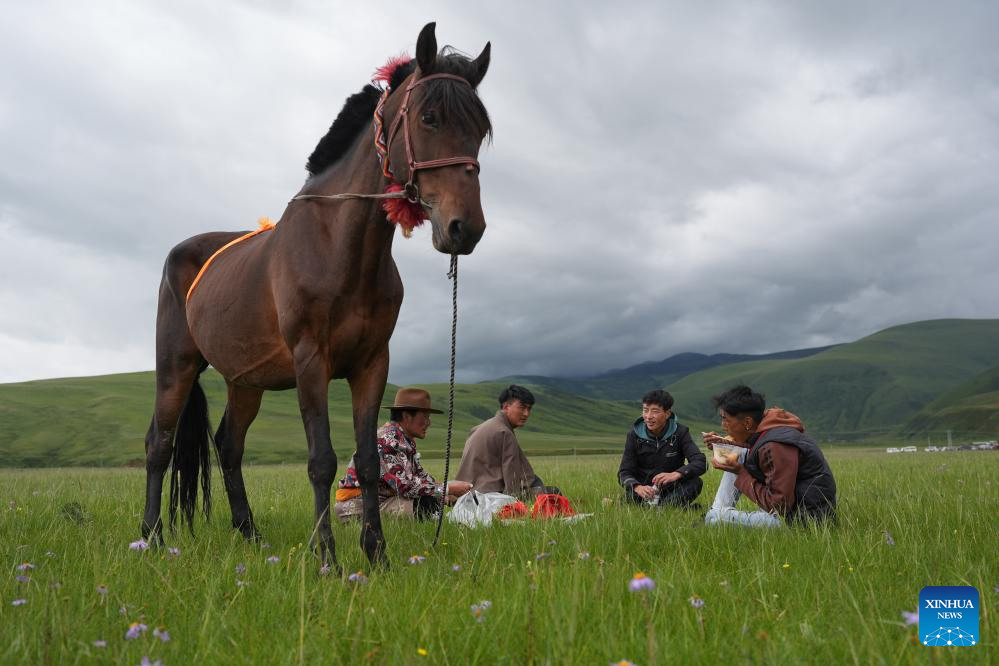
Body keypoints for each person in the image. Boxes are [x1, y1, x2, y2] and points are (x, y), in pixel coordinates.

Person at [704, 385, 837, 527]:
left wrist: (740, 472)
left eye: (726, 419)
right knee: (736, 454)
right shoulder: (770, 431)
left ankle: (715, 515)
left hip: (802, 521)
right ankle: (717, 510)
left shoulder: (775, 446)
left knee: (714, 519)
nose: (723, 426)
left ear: (748, 422)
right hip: (793, 511)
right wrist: (723, 445)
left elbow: (780, 507)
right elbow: (754, 448)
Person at [333, 387, 472, 523]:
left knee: (430, 501)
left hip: (380, 499)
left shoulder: (403, 440)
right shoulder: (387, 441)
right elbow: (405, 487)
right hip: (357, 506)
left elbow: (420, 477)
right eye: (425, 417)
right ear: (406, 416)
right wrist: (448, 489)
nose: (428, 423)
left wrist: (445, 494)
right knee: (424, 507)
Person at [456, 385, 560, 498]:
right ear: (506, 407)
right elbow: (513, 479)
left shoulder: (478, 428)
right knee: (554, 492)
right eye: (522, 407)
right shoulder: (504, 432)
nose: (526, 414)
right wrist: (515, 505)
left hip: (465, 496)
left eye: (529, 409)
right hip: (488, 498)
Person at [618, 389, 706, 507]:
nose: (648, 416)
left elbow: (700, 462)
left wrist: (676, 474)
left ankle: (662, 507)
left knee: (695, 483)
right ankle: (670, 508)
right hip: (644, 491)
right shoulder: (633, 436)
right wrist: (637, 487)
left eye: (655, 411)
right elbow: (624, 472)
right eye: (645, 410)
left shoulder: (680, 432)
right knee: (629, 499)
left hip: (671, 488)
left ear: (667, 413)